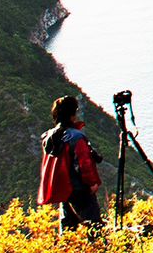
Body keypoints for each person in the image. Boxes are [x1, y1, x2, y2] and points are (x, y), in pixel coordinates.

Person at [37, 97, 104, 230]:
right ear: (73, 114)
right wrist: (93, 183)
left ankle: (66, 250)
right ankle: (99, 249)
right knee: (94, 227)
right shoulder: (76, 137)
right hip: (80, 190)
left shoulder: (49, 137)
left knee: (68, 229)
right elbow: (84, 164)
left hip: (63, 190)